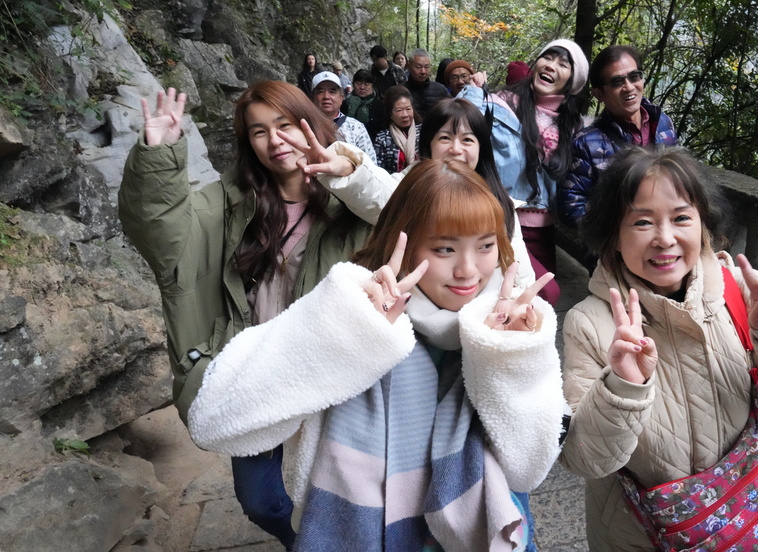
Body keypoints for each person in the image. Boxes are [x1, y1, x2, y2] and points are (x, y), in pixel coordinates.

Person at [187, 159, 566, 551]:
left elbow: (528, 469)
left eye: (486, 245)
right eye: (445, 248)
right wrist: (345, 327)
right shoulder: (359, 314)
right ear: (404, 243)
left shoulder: (512, 329)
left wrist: (508, 356)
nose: (468, 270)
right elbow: (213, 421)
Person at [118, 81, 396, 549]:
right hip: (256, 367)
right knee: (259, 500)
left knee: (346, 489)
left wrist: (349, 173)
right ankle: (302, 541)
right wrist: (158, 158)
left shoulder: (353, 201)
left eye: (285, 125)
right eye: (259, 131)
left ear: (311, 124)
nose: (275, 140)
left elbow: (408, 214)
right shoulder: (228, 202)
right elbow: (162, 234)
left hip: (334, 362)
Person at [559, 146, 758, 551]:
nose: (665, 238)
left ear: (703, 227)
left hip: (756, 520)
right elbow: (586, 459)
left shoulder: (739, 290)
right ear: (613, 238)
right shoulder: (590, 323)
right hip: (641, 534)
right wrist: (622, 386)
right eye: (642, 222)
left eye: (681, 218)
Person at [495, 39, 588, 305]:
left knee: (540, 304)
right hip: (503, 221)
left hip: (543, 229)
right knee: (544, 292)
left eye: (563, 64)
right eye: (548, 57)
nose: (551, 66)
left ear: (572, 81)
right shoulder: (504, 105)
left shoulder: (573, 125)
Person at [417, 97, 535, 288]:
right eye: (445, 138)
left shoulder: (498, 202)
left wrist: (518, 300)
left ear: (481, 148)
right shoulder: (408, 193)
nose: (456, 149)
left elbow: (520, 273)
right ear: (428, 144)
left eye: (467, 140)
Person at [560, 45, 679, 229]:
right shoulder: (586, 144)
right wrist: (623, 229)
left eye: (634, 76)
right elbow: (571, 207)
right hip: (621, 242)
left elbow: (680, 178)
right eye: (616, 82)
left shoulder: (663, 124)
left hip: (668, 232)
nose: (629, 87)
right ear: (599, 94)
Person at [311, 70, 377, 162]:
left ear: (341, 98)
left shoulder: (356, 127)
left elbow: (370, 163)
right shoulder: (304, 125)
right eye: (320, 91)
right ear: (312, 97)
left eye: (332, 92)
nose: (326, 96)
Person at [373, 85, 419, 173]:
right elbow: (379, 170)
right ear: (390, 113)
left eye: (408, 109)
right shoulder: (382, 138)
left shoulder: (423, 132)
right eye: (399, 110)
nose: (405, 115)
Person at [404, 49, 451, 118]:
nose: (423, 71)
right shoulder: (399, 91)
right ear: (408, 66)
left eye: (426, 67)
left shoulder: (441, 90)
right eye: (418, 67)